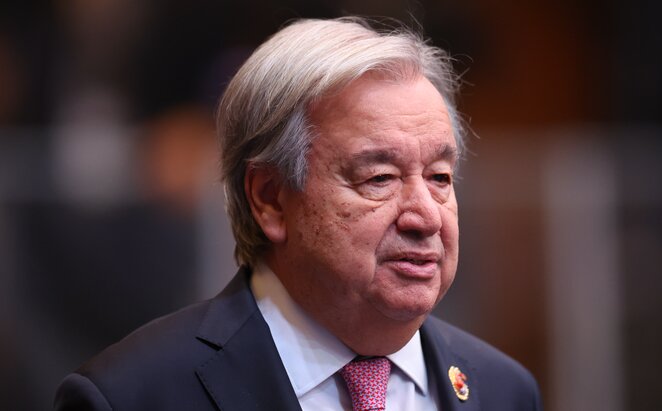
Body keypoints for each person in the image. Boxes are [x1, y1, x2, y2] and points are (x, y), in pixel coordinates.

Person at [54, 17, 542, 410]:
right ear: (270, 198)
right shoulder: (132, 396)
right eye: (379, 178)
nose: (426, 218)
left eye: (440, 178)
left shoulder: (504, 391)